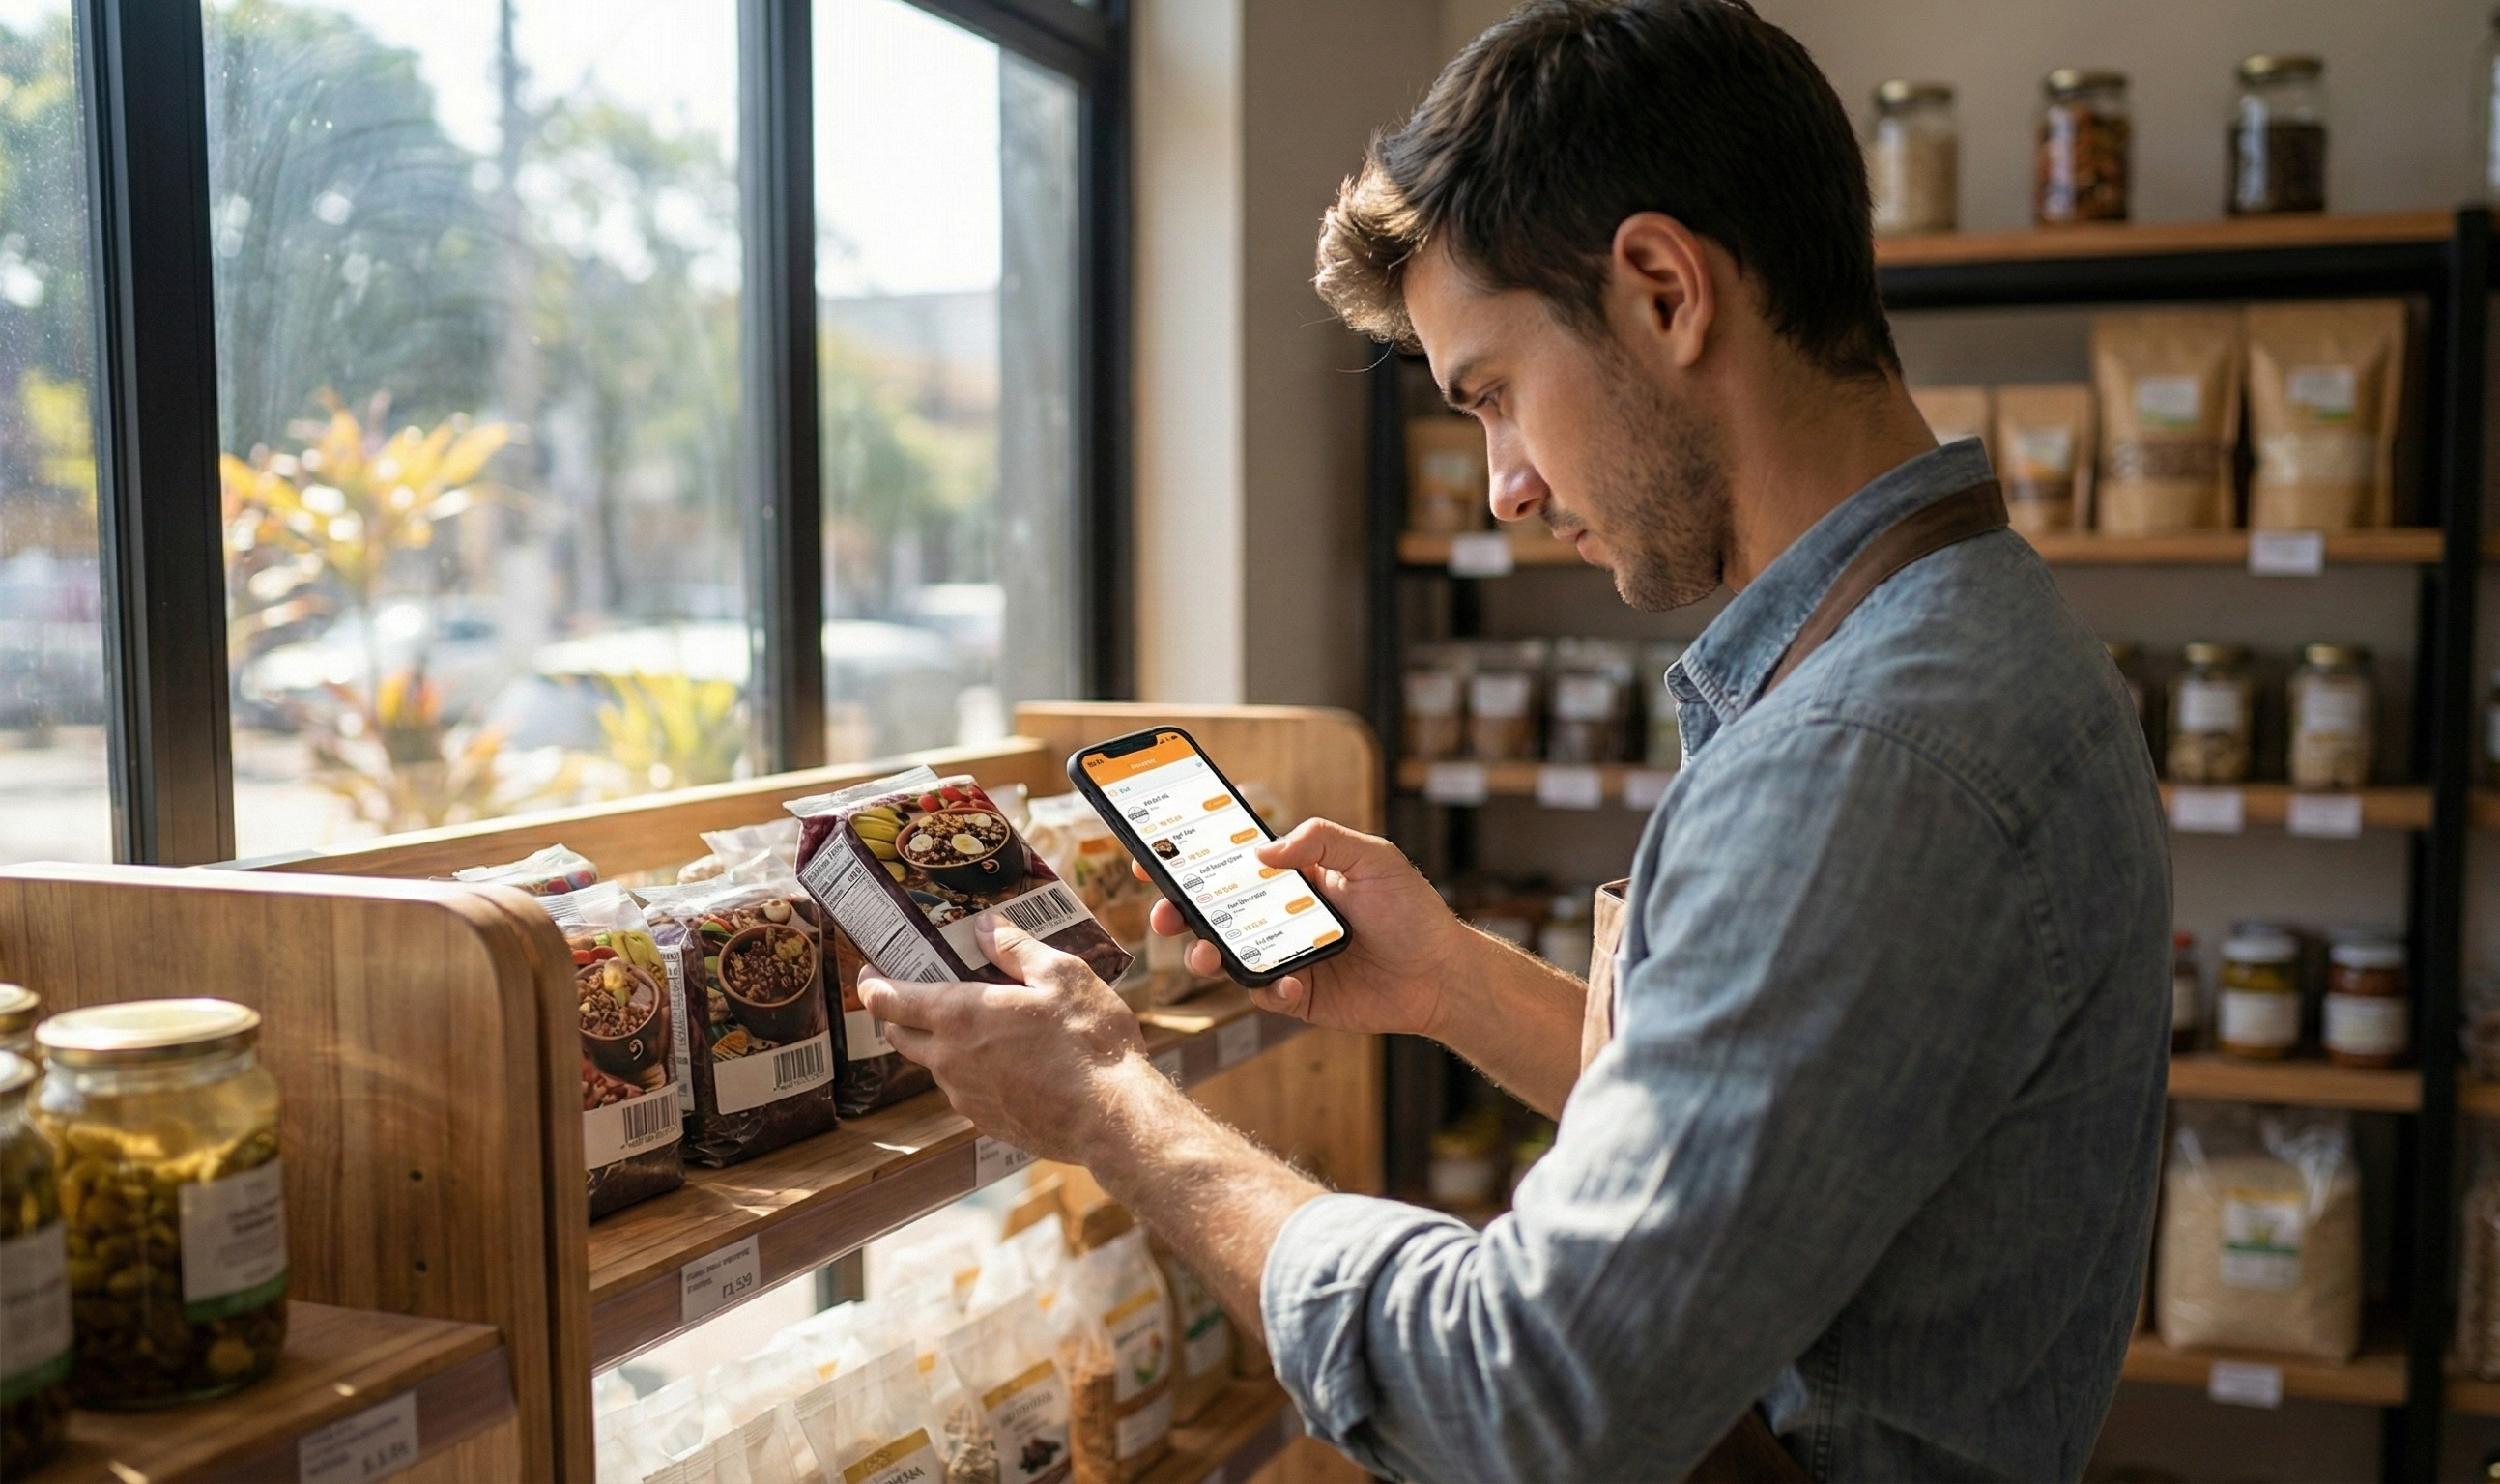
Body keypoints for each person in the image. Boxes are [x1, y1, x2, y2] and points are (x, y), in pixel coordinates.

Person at [861, 1, 2170, 1478]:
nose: (1504, 487)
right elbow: (1776, 1156)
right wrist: (1452, 984)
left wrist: (1109, 1106)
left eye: (1492, 394)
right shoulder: (1969, 630)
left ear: (1666, 292)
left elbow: (1527, 1401)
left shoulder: (1869, 751)